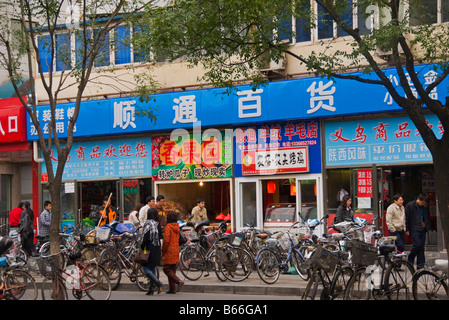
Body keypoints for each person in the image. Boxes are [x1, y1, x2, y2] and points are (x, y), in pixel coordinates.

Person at [141, 208, 164, 295]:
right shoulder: (157, 224)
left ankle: (158, 283)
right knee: (152, 268)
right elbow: (160, 236)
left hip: (149, 247)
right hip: (157, 247)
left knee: (146, 268)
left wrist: (142, 246)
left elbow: (146, 237)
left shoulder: (147, 223)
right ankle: (151, 289)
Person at [405, 193, 430, 270]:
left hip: (422, 228)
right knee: (417, 245)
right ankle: (410, 258)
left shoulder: (424, 206)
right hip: (414, 228)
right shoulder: (410, 206)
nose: (423, 204)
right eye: (422, 203)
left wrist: (427, 226)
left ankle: (420, 265)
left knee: (421, 248)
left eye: (424, 203)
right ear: (418, 199)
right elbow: (406, 218)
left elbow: (427, 216)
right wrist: (407, 229)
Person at [161, 211, 183, 294]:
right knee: (172, 269)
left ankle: (178, 281)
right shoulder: (177, 227)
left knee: (166, 268)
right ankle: (172, 289)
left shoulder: (168, 227)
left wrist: (163, 250)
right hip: (176, 249)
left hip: (169, 250)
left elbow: (166, 240)